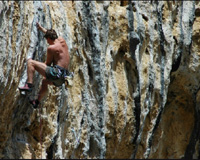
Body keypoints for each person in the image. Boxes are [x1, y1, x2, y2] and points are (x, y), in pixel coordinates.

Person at [19, 22, 70, 108]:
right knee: (45, 82)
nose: (47, 42)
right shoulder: (62, 40)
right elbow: (51, 34)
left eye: (47, 40)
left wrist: (38, 65)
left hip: (55, 73)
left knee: (30, 63)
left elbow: (47, 64)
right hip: (63, 77)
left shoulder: (52, 48)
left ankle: (29, 85)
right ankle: (37, 102)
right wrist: (42, 29)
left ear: (49, 39)